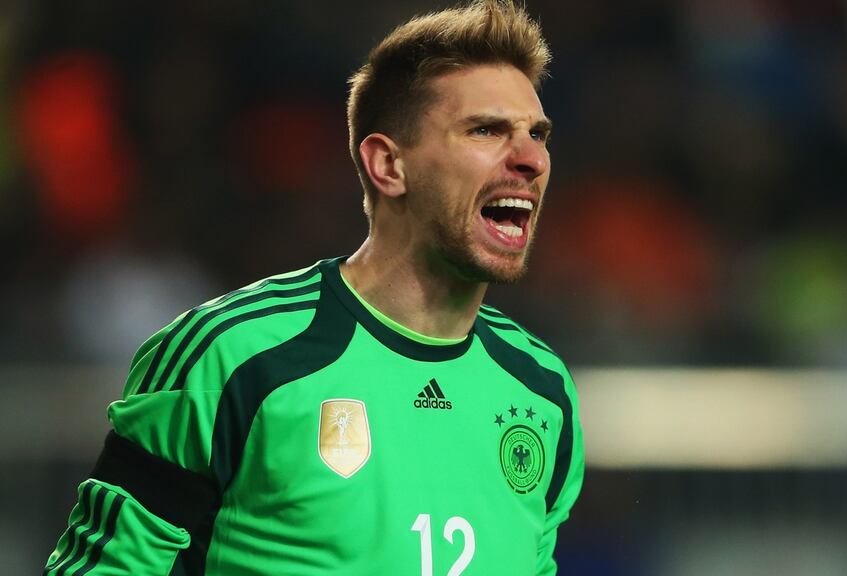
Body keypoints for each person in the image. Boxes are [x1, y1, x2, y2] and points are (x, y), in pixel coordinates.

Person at [43, 1, 584, 574]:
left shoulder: (542, 391)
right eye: (486, 130)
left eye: (537, 134)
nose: (530, 159)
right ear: (388, 165)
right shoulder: (233, 359)